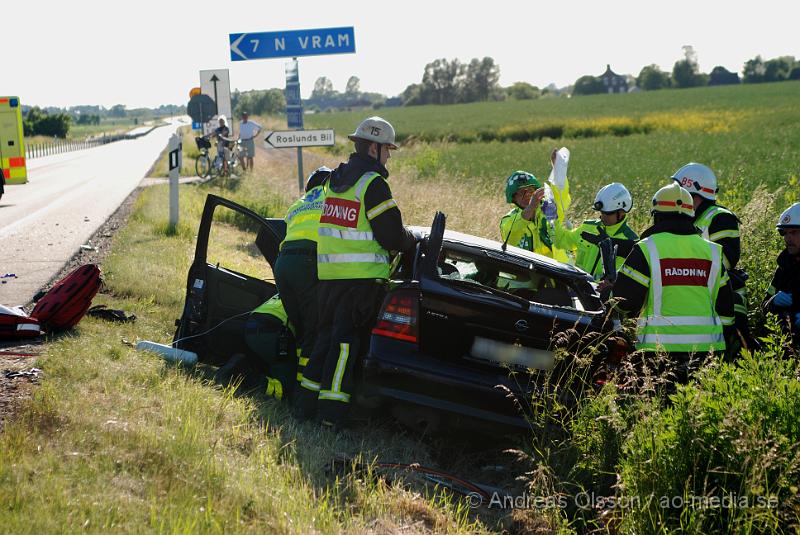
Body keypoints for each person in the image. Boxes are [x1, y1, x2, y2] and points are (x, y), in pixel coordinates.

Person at [294, 116, 417, 427]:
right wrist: (411, 241)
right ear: (374, 148)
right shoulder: (373, 184)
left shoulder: (334, 180)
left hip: (329, 279)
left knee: (324, 341)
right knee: (345, 347)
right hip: (360, 282)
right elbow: (391, 235)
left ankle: (304, 406)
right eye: (387, 149)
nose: (389, 155)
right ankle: (330, 416)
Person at [612, 183, 734, 383]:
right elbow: (727, 311)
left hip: (658, 351)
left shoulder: (646, 248)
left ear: (657, 216)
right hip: (705, 352)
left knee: (658, 408)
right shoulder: (713, 252)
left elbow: (624, 302)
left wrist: (612, 289)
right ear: (691, 216)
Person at [671, 162, 751, 351]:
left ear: (696, 193)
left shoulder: (720, 218)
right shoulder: (689, 219)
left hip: (725, 302)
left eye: (683, 194)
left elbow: (725, 262)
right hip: (698, 298)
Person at [274, 166, 331, 393]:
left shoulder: (297, 204)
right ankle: (304, 389)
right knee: (314, 329)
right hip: (308, 263)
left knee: (299, 327)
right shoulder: (332, 199)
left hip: (283, 264)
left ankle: (294, 382)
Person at [553, 182, 638, 281]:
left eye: (607, 213)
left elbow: (619, 279)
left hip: (603, 294)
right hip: (576, 288)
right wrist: (552, 219)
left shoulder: (631, 241)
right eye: (601, 212)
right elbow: (562, 241)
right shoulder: (588, 227)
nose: (603, 217)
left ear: (622, 211)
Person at [761, 202, 800, 347]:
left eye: (794, 232)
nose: (788, 238)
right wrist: (773, 301)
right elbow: (764, 306)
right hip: (786, 349)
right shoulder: (784, 266)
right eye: (785, 232)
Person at [500, 171, 553, 257]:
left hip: (555, 267)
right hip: (525, 268)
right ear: (513, 198)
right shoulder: (508, 219)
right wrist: (532, 206)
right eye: (521, 192)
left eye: (530, 191)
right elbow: (511, 237)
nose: (527, 195)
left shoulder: (550, 209)